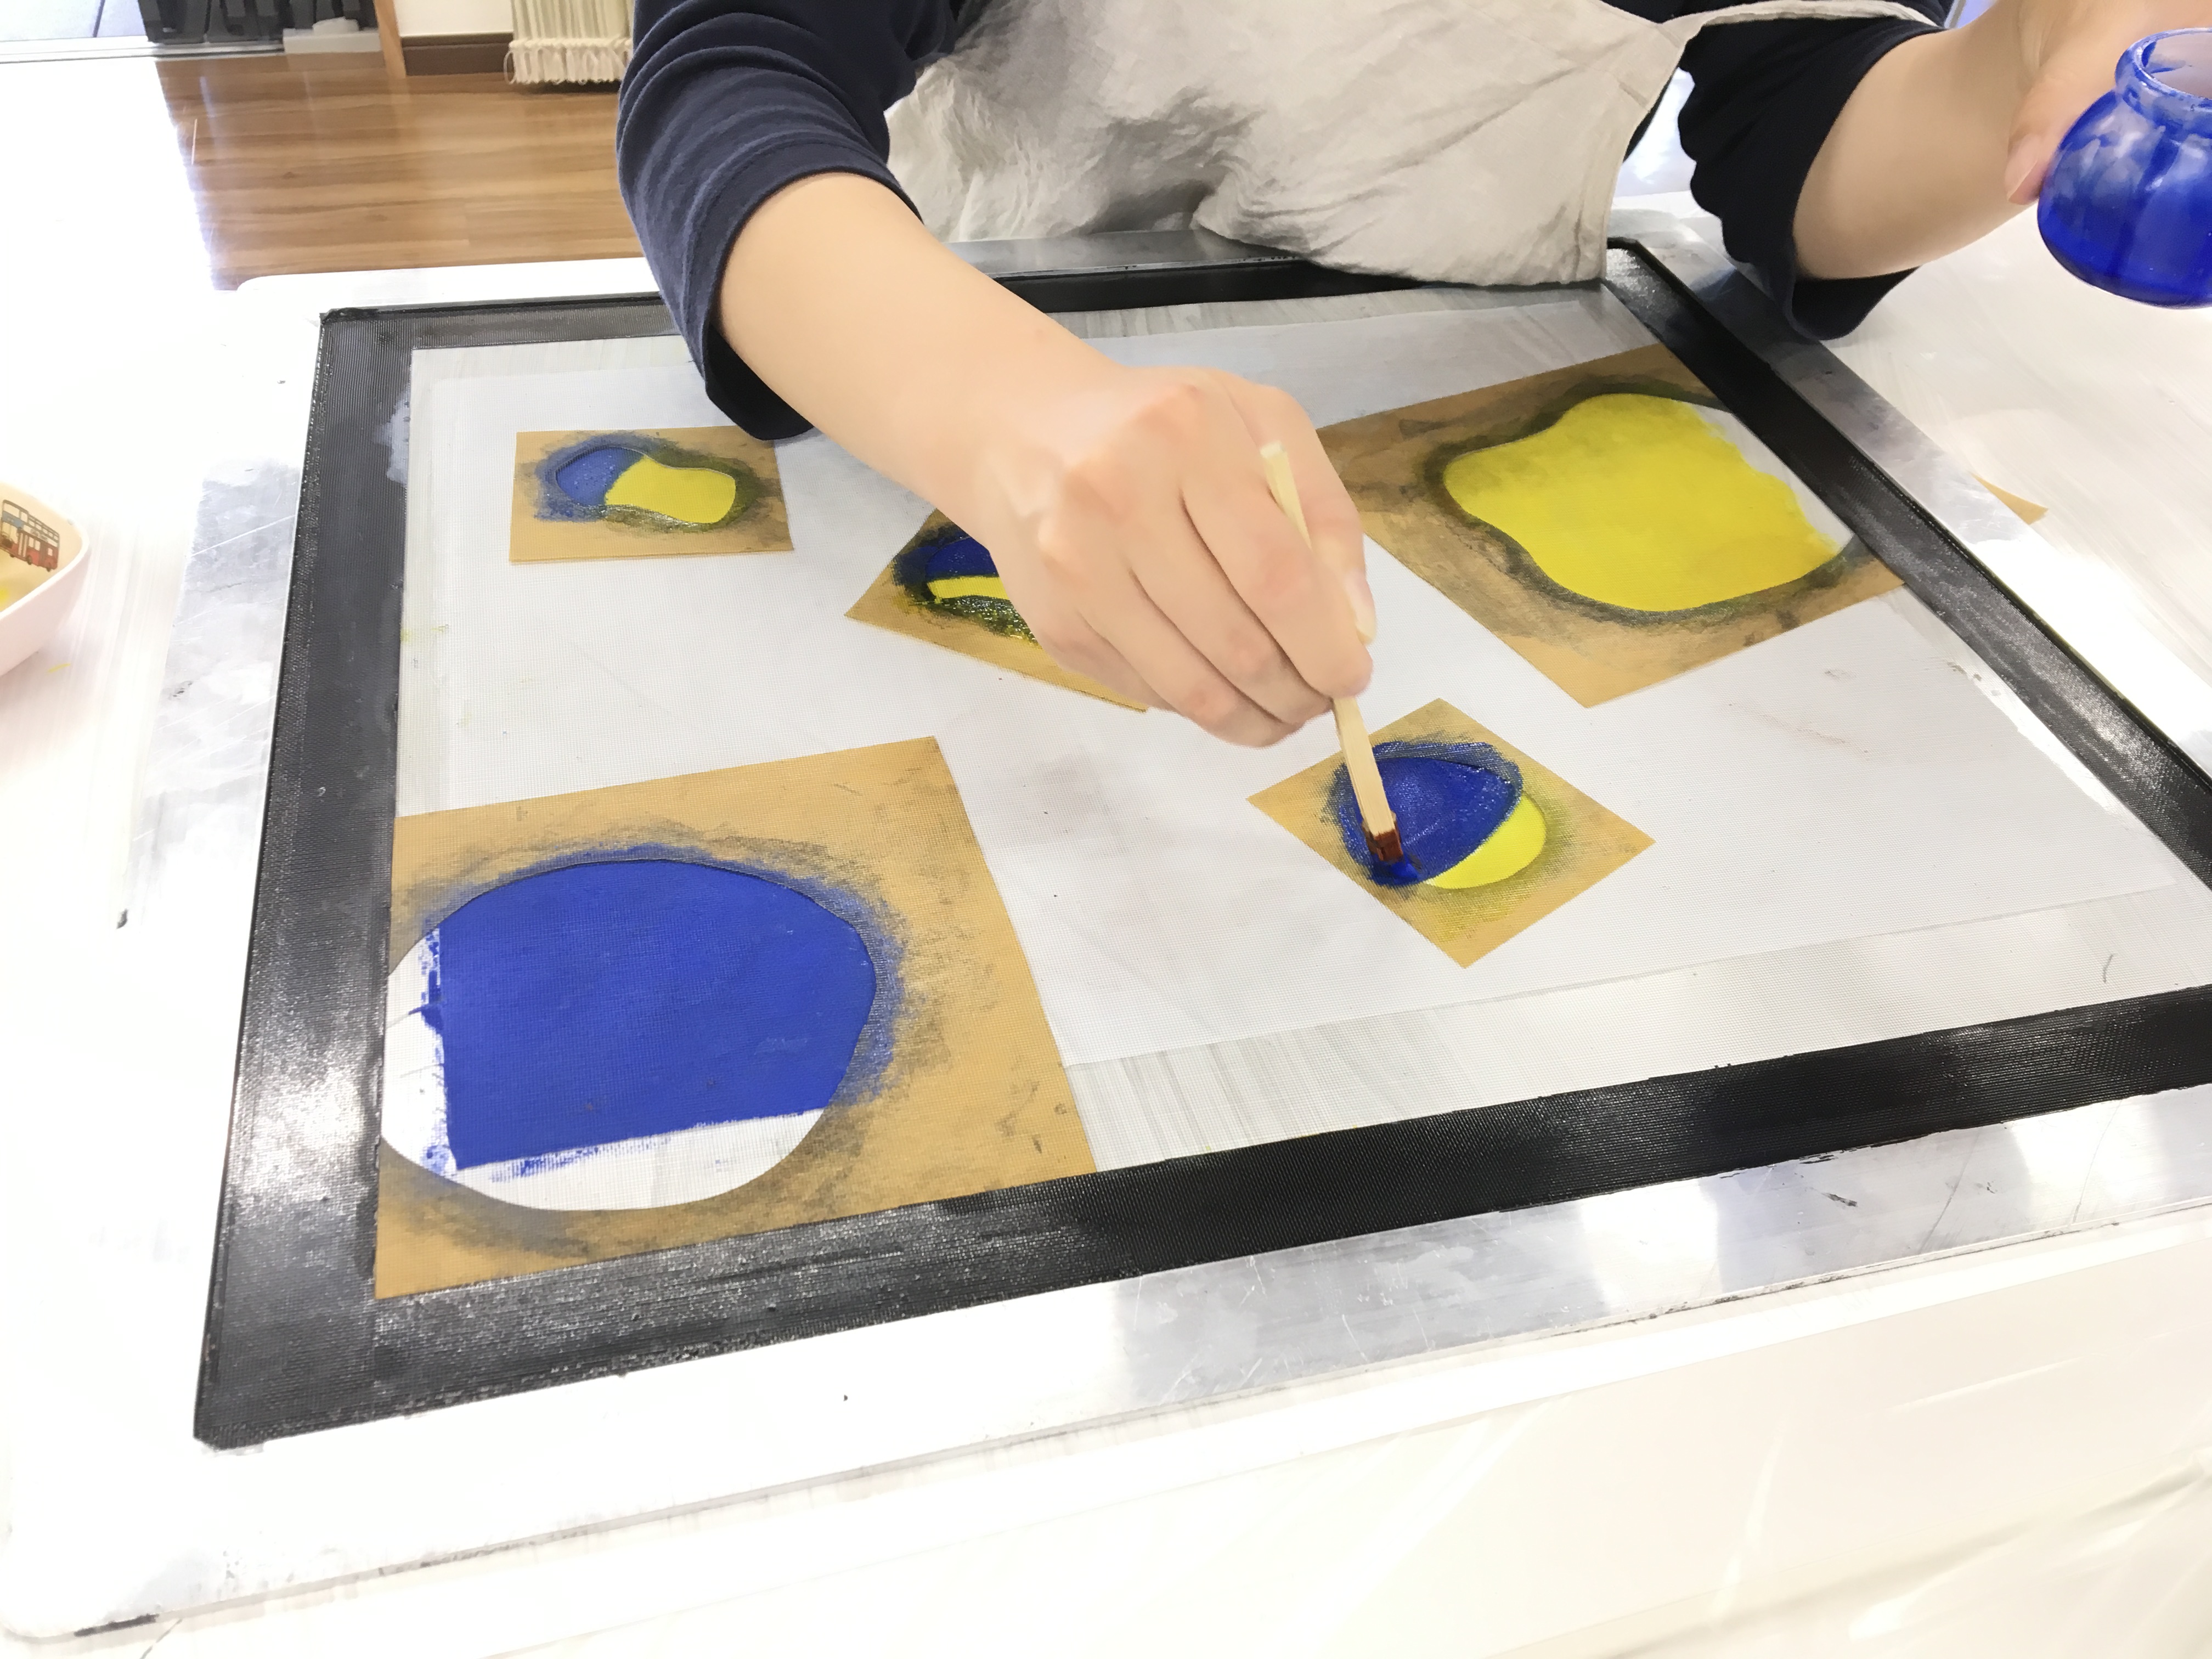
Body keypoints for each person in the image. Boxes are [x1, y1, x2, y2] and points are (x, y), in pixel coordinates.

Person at [616, 0, 2207, 747]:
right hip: (937, 378)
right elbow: (729, 73)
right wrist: (1004, 412)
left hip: (1479, 401)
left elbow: (1799, 133)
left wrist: (2014, 69)